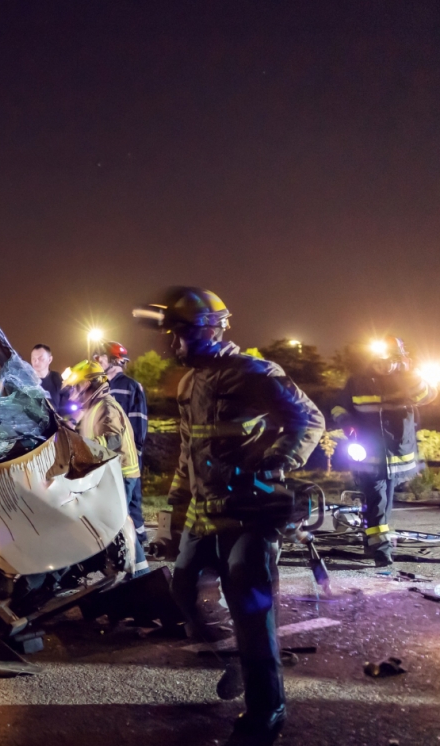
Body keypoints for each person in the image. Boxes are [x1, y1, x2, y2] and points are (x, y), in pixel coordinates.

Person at [134, 287, 323, 744]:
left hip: (251, 513)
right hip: (205, 513)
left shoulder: (253, 372)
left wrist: (273, 463)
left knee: (250, 608)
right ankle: (237, 664)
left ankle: (267, 711)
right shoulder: (189, 382)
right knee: (183, 588)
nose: (172, 346)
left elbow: (309, 420)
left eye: (177, 336)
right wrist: (176, 514)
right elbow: (189, 451)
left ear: (207, 330)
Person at [331, 336, 437, 566]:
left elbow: (427, 396)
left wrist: (411, 375)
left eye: (389, 361)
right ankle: (380, 548)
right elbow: (338, 407)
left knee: (383, 499)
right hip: (368, 453)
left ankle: (373, 540)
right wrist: (346, 423)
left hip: (398, 454)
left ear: (399, 360)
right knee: (377, 498)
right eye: (379, 361)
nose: (383, 366)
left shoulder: (407, 379)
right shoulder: (357, 381)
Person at [63, 359, 148, 577]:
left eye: (77, 386)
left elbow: (111, 440)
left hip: (121, 474)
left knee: (116, 522)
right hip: (110, 474)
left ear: (92, 384)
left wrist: (79, 447)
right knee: (114, 522)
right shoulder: (93, 407)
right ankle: (134, 572)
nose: (74, 392)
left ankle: (140, 575)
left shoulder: (107, 407)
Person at [92, 340, 149, 544]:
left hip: (126, 456)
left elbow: (138, 421)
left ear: (114, 360)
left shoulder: (131, 386)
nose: (97, 361)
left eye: (101, 357)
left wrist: (137, 451)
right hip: (107, 455)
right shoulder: (101, 385)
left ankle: (138, 542)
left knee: (131, 501)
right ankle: (132, 541)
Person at [30, 344, 65, 410]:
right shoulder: (26, 381)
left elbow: (65, 403)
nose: (36, 361)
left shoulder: (57, 378)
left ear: (50, 359)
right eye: (33, 358)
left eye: (41, 358)